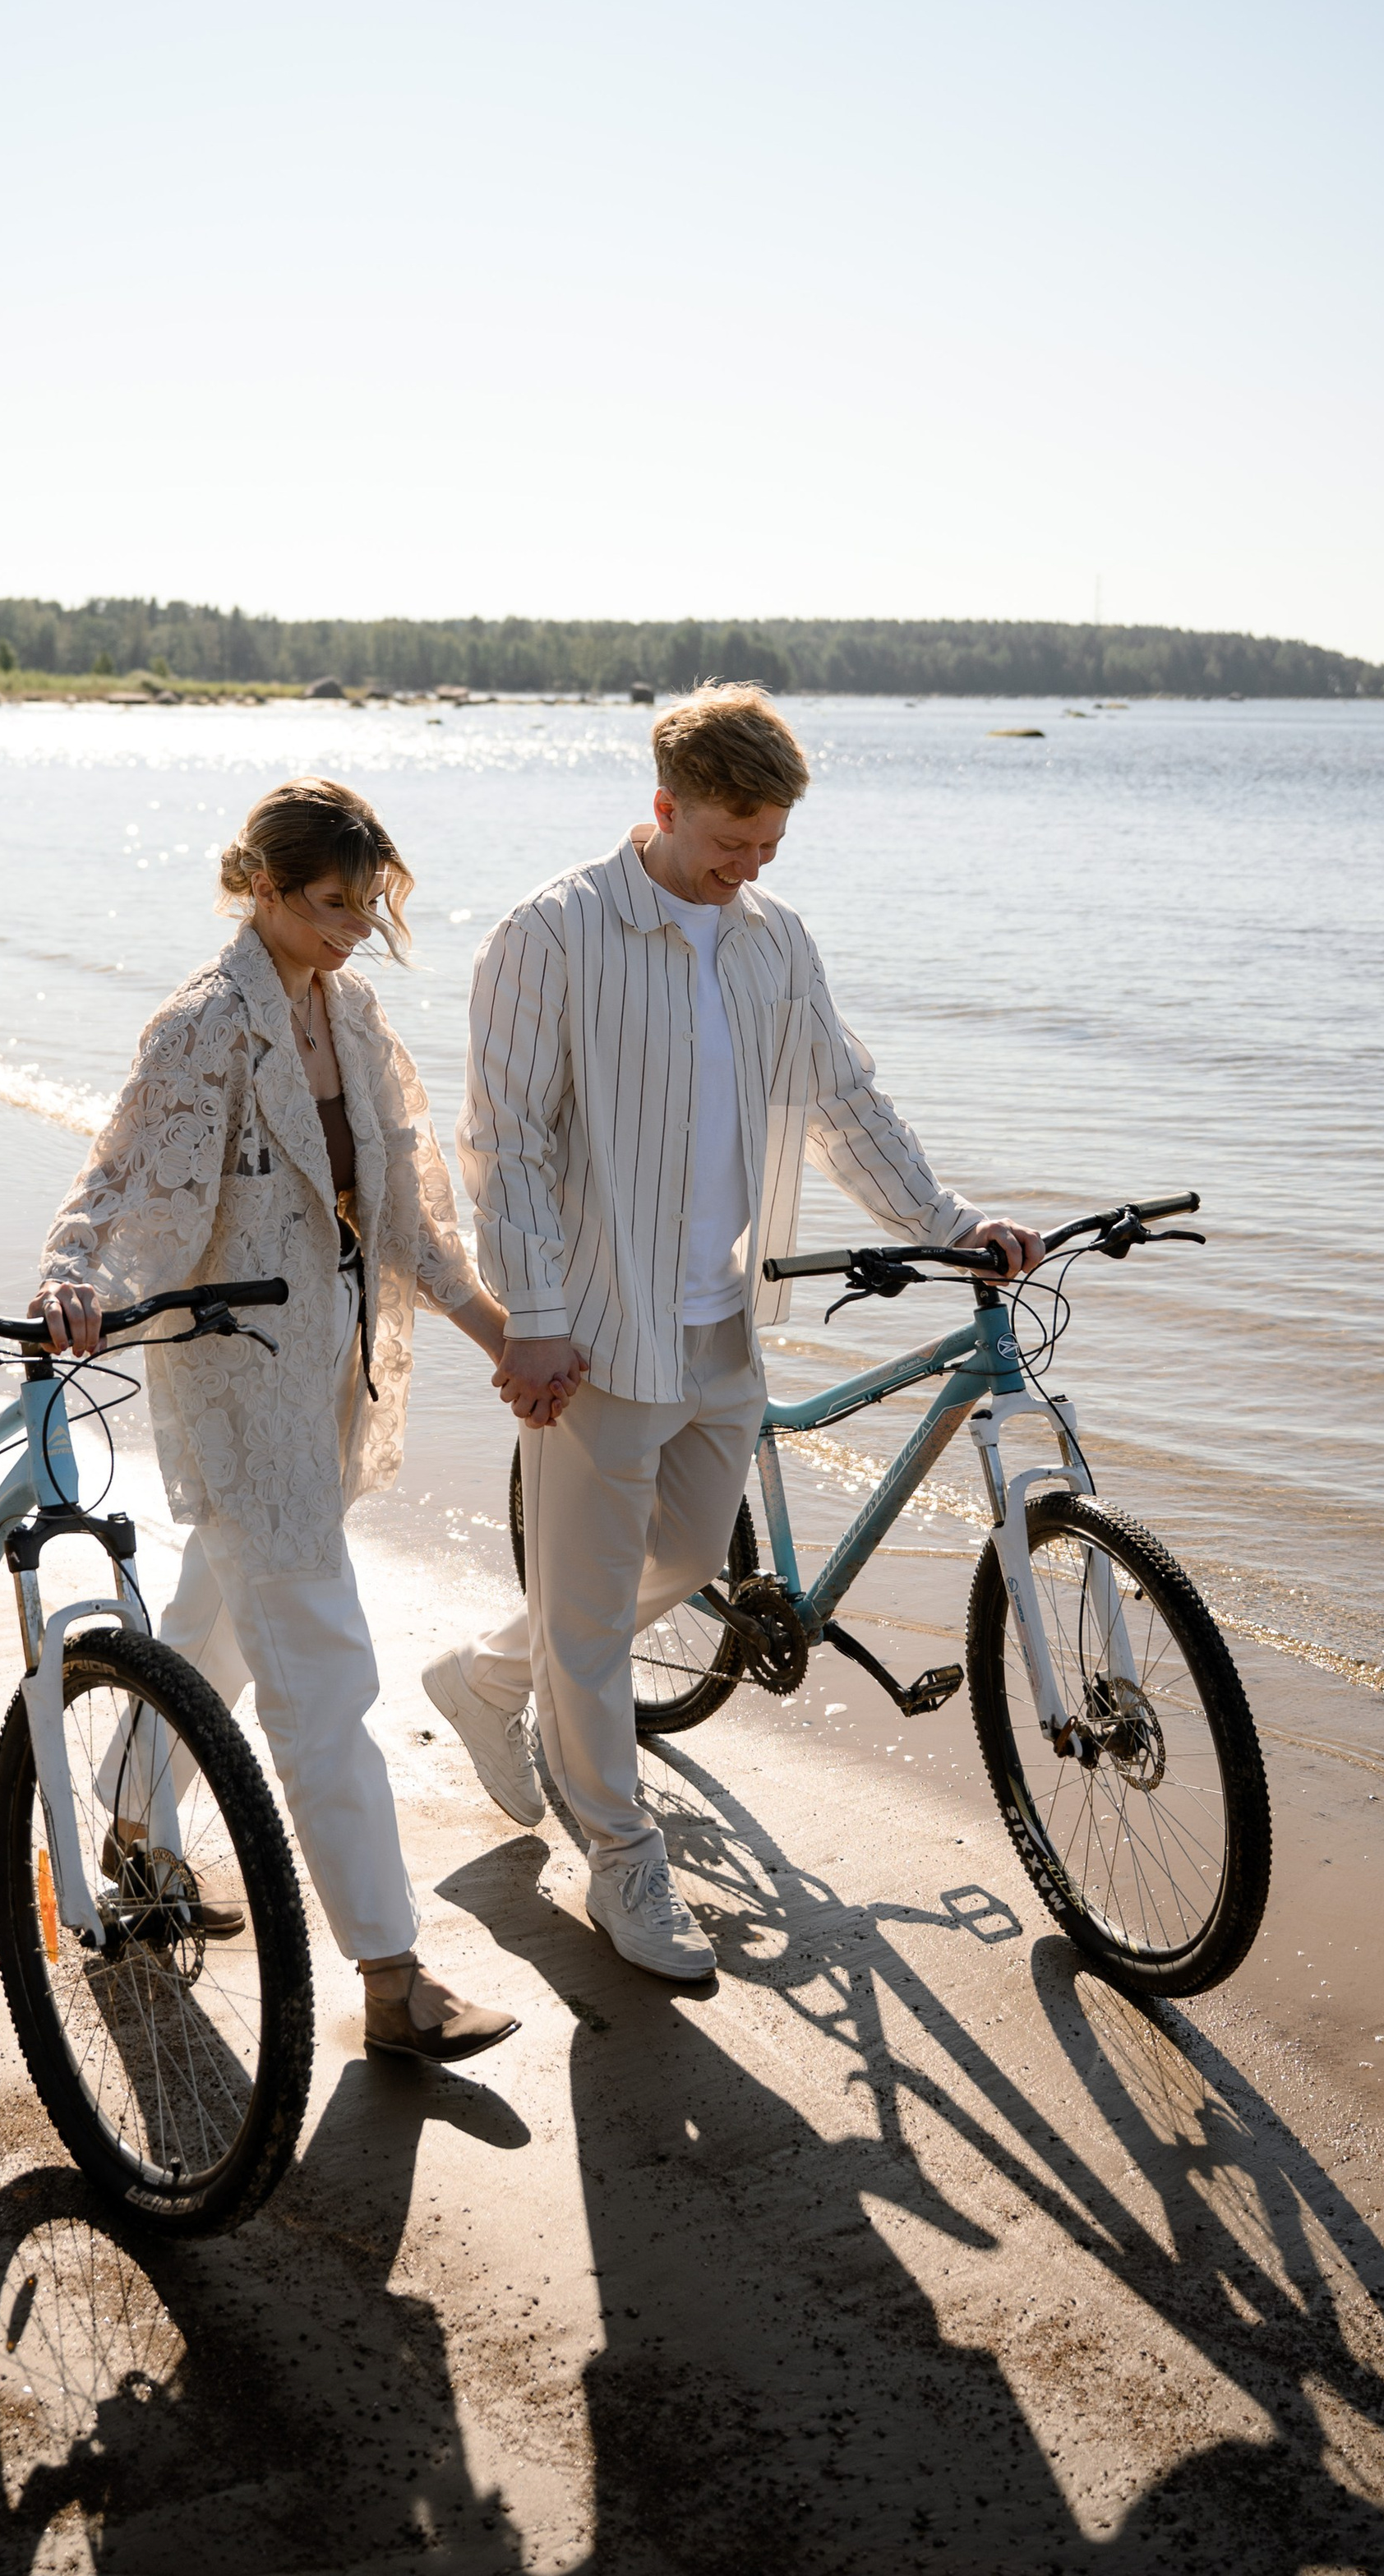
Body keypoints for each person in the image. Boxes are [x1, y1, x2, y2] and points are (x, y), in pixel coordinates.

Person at [422, 685, 1045, 1984]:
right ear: (663, 808)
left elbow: (841, 1097)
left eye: (767, 846)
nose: (746, 866)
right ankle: (622, 1861)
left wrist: (949, 1219)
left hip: (720, 1318)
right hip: (594, 1328)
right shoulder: (554, 934)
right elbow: (505, 1145)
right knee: (591, 1628)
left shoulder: (776, 941)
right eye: (728, 842)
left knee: (693, 1557)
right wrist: (531, 1318)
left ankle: (489, 1673)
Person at [33, 776, 522, 2063]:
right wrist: (75, 1275)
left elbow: (408, 1212)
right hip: (239, 1388)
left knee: (210, 1614)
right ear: (261, 885)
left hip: (326, 1377)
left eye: (369, 904)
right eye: (331, 903)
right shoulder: (206, 1024)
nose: (356, 926)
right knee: (322, 1676)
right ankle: (394, 1977)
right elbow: (120, 1171)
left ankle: (134, 1825)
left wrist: (504, 1339)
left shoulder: (350, 1012)